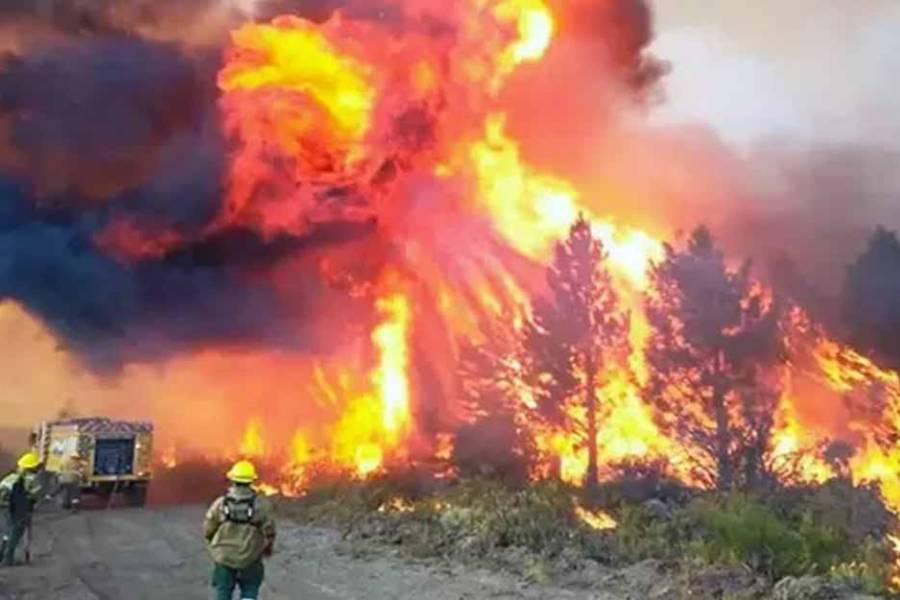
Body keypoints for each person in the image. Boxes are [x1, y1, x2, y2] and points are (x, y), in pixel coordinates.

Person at [203, 460, 276, 600]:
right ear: (252, 481)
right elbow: (270, 531)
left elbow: (208, 528)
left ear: (233, 480)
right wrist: (268, 548)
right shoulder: (262, 505)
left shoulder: (220, 503)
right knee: (249, 590)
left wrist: (213, 542)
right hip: (250, 558)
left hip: (224, 558)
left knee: (223, 592)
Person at [0, 451, 43, 566]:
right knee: (16, 531)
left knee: (7, 531)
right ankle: (8, 559)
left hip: (3, 506)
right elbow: (33, 496)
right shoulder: (30, 479)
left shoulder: (11, 477)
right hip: (17, 507)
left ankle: (1, 556)